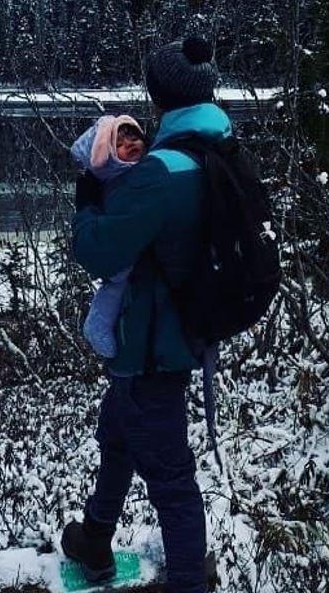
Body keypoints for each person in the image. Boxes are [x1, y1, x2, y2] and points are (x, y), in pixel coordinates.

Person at [62, 33, 224, 593]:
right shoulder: (214, 152)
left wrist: (86, 203)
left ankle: (187, 583)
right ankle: (95, 541)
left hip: (153, 347)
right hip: (173, 337)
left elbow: (98, 250)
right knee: (118, 436)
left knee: (171, 480)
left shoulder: (161, 170)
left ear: (161, 99)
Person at [69, 114, 147, 358]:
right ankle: (99, 331)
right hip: (124, 264)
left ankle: (103, 332)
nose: (131, 144)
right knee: (113, 292)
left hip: (137, 262)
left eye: (134, 138)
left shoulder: (146, 174)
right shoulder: (110, 185)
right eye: (121, 144)